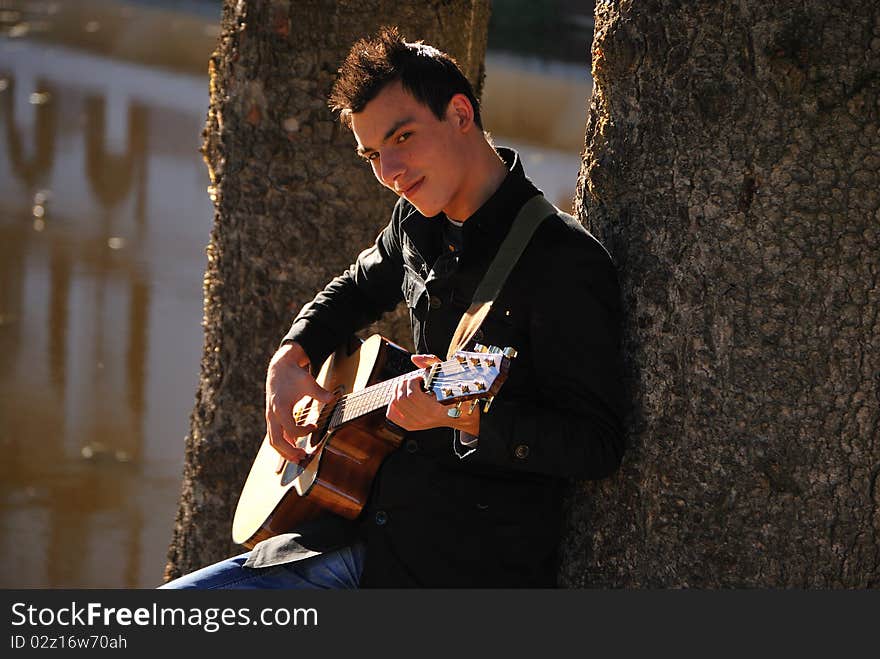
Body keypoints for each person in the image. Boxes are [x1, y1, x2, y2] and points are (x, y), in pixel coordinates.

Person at [161, 26, 625, 589]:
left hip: (453, 566)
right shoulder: (416, 223)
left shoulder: (562, 261)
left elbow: (596, 445)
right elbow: (355, 288)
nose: (389, 173)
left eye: (402, 138)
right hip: (344, 528)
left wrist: (466, 414)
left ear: (459, 114)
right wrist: (290, 358)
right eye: (374, 154)